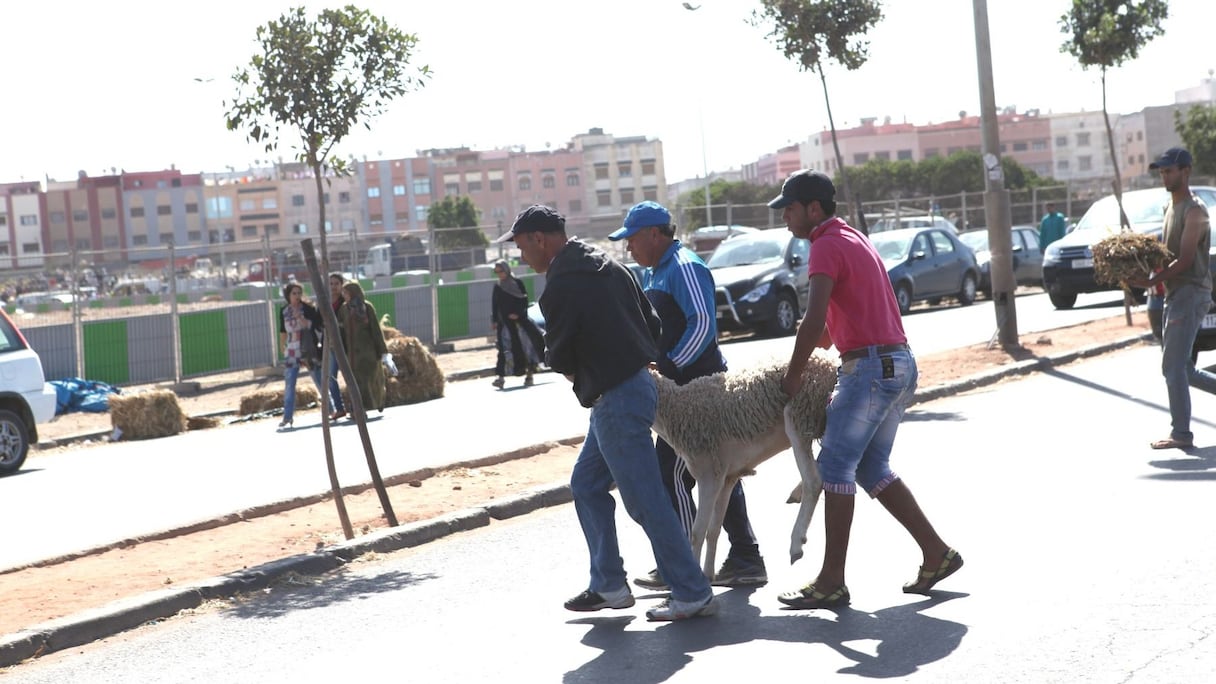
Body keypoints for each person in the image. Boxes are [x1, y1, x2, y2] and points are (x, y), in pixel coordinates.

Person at [496, 204, 716, 621]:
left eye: (523, 246)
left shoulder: (559, 285)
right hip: (632, 390)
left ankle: (691, 590)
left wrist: (586, 372)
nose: (522, 256)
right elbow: (652, 324)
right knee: (587, 484)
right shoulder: (612, 267)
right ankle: (609, 584)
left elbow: (558, 355)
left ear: (540, 239)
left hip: (615, 400)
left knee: (645, 500)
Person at [770, 170, 962, 609]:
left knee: (835, 465)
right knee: (871, 466)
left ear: (813, 209)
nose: (785, 217)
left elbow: (814, 319)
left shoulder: (824, 245)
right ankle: (937, 553)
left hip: (871, 369)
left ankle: (831, 581)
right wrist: (813, 349)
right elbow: (831, 326)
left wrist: (793, 375)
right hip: (898, 364)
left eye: (790, 208)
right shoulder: (851, 237)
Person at [608, 200, 767, 590]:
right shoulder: (655, 273)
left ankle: (681, 563)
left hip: (698, 391)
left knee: (672, 473)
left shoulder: (685, 267)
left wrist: (670, 368)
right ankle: (744, 556)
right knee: (718, 473)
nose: (629, 247)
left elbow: (703, 325)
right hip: (678, 391)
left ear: (654, 234)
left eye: (632, 239)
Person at [1129, 148, 1216, 450]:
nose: (1164, 176)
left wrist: (1152, 281)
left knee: (1173, 367)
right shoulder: (1171, 207)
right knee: (1184, 369)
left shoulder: (1195, 211)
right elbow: (1167, 256)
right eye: (1162, 172)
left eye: (1170, 171)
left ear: (1186, 171)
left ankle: (1181, 433)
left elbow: (1186, 259)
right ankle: (1181, 430)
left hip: (1191, 292)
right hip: (1177, 293)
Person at [490, 259, 545, 389]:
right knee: (504, 349)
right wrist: (494, 321)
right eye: (496, 272)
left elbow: (524, 301)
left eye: (501, 271)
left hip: (520, 322)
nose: (499, 274)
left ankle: (530, 374)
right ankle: (500, 377)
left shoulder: (517, 283)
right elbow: (495, 305)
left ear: (507, 270)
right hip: (505, 324)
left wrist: (518, 314)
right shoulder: (498, 286)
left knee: (527, 346)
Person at [337, 281, 390, 414]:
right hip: (352, 354)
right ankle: (359, 408)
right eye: (343, 292)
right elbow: (341, 329)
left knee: (371, 380)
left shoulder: (366, 307)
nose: (344, 295)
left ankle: (378, 401)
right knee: (356, 381)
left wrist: (383, 352)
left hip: (368, 352)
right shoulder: (344, 309)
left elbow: (376, 330)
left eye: (346, 292)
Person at [277, 282, 324, 431]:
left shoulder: (308, 309)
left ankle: (331, 408)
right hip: (291, 351)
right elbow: (283, 331)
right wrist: (282, 347)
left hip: (307, 350)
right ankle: (287, 416)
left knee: (318, 379)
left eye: (299, 293)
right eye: (294, 293)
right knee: (290, 384)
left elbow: (315, 327)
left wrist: (301, 318)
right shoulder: (284, 311)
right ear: (288, 296)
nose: (297, 296)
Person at [325, 272, 349, 421]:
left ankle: (355, 406)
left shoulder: (344, 303)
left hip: (345, 344)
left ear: (341, 285)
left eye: (336, 284)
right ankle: (339, 408)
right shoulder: (325, 302)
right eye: (331, 284)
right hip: (331, 345)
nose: (333, 287)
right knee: (330, 378)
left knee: (349, 377)